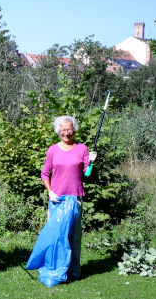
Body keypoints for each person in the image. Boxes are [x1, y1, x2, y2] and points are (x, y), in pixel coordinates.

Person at [41, 116, 97, 282]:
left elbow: (87, 174)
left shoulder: (82, 149)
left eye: (69, 129)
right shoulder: (52, 150)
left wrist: (92, 163)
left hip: (75, 198)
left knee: (74, 236)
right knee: (56, 235)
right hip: (57, 199)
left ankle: (74, 272)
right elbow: (45, 174)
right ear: (58, 131)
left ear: (74, 130)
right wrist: (50, 191)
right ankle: (56, 268)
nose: (66, 133)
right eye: (63, 130)